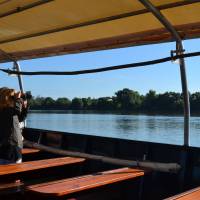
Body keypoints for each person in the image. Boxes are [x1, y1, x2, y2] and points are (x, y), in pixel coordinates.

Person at [0, 87, 28, 164]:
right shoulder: (7, 111)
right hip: (9, 148)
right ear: (6, 98)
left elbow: (20, 118)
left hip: (11, 147)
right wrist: (18, 100)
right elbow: (17, 114)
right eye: (12, 97)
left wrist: (25, 106)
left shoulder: (9, 111)